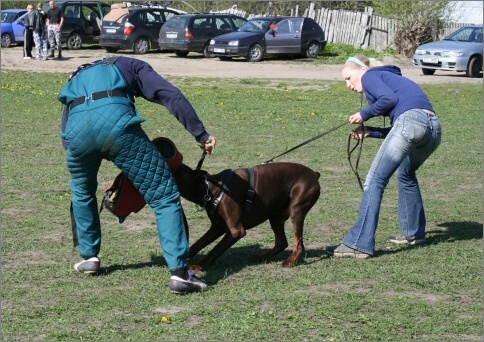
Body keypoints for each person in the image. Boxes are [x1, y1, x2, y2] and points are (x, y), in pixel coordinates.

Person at [57, 56, 216, 294]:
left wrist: (83, 151)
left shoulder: (78, 74)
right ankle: (180, 274)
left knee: (82, 193)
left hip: (76, 136)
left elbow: (65, 125)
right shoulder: (131, 65)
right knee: (163, 195)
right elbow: (168, 94)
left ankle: (89, 257)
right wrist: (200, 134)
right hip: (120, 129)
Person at [324, 55, 442, 259]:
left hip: (412, 123)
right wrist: (370, 131)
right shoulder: (390, 78)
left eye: (348, 77)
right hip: (433, 129)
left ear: (361, 69)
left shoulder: (370, 75)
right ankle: (413, 234)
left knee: (375, 180)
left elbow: (390, 101)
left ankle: (358, 244)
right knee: (406, 174)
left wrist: (364, 114)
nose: (347, 84)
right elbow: (408, 127)